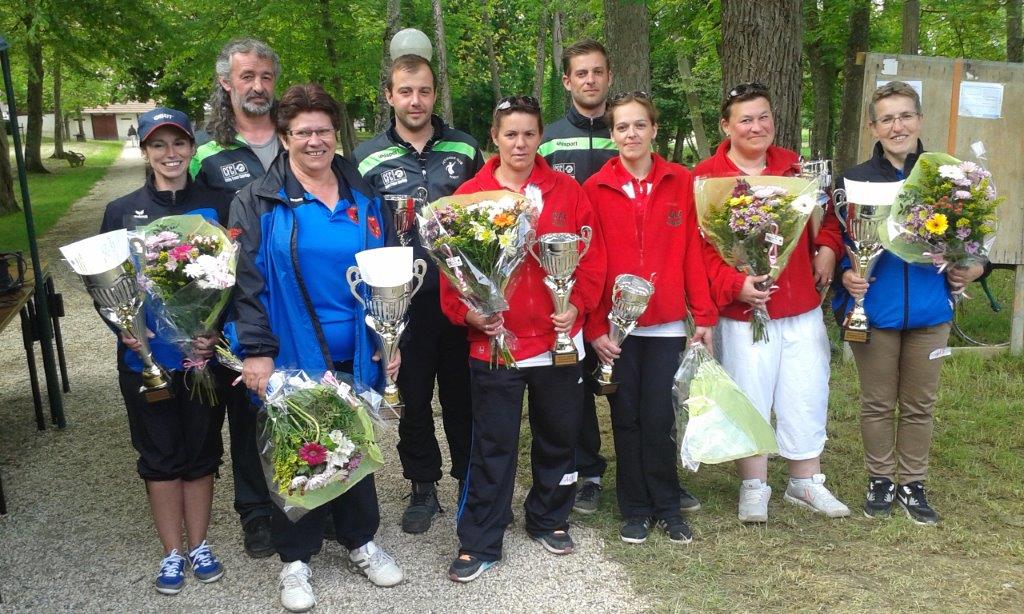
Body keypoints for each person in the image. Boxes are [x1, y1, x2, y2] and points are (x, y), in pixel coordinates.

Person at [230, 83, 404, 612]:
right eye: (302, 132)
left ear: (336, 134)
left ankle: (360, 541)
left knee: (355, 443)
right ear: (284, 139)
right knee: (299, 449)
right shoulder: (257, 199)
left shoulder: (364, 195)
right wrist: (256, 350)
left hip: (356, 350)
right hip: (291, 350)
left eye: (322, 130)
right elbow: (246, 283)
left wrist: (391, 337)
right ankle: (295, 560)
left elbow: (388, 273)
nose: (314, 141)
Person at [440, 95, 605, 582]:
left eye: (529, 133)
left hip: (557, 341)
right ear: (495, 136)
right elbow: (452, 277)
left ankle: (550, 517)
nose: (520, 142)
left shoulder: (568, 192)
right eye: (510, 133)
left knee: (558, 436)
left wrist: (577, 307)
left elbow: (593, 260)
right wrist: (472, 315)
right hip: (496, 344)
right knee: (493, 443)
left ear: (541, 138)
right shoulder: (470, 195)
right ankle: (481, 538)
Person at [833, 81, 986, 525]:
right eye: (887, 118)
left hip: (930, 311)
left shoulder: (950, 177)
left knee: (920, 404)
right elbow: (839, 239)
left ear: (919, 120)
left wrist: (975, 267)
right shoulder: (854, 179)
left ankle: (913, 483)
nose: (897, 126)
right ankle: (881, 478)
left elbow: (976, 239)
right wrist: (846, 273)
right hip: (874, 311)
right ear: (873, 127)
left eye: (905, 116)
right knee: (877, 403)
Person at [698, 82, 850, 523]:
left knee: (806, 389)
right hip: (743, 311)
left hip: (799, 302)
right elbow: (702, 247)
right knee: (749, 392)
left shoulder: (795, 166)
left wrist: (826, 248)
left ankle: (805, 481)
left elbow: (831, 220)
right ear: (726, 126)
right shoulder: (708, 177)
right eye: (745, 119)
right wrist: (734, 284)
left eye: (763, 116)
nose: (756, 126)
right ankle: (754, 485)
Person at [99, 107, 232, 595]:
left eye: (178, 143)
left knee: (200, 451)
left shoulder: (218, 203)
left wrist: (215, 329)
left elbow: (235, 281)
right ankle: (172, 553)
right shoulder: (121, 210)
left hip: (200, 358)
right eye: (159, 145)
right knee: (158, 455)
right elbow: (104, 286)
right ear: (145, 151)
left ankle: (199, 544)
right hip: (146, 361)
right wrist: (124, 329)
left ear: (193, 148)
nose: (170, 154)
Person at [354, 54, 483, 534]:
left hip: (458, 301)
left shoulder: (465, 149)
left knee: (463, 397)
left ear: (435, 93)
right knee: (411, 397)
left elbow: (486, 217)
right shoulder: (365, 157)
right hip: (400, 306)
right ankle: (422, 486)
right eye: (405, 91)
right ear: (389, 95)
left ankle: (471, 481)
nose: (415, 100)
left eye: (424, 91)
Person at [583, 92, 717, 544]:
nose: (631, 134)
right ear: (612, 134)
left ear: (654, 130)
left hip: (663, 325)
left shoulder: (681, 182)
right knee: (626, 417)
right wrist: (596, 327)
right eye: (622, 127)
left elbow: (693, 254)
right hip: (617, 330)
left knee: (659, 417)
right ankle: (635, 508)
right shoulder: (596, 188)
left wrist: (703, 314)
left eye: (640, 125)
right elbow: (591, 262)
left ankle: (668, 505)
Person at [189, 37, 282, 559]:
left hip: (293, 292)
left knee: (305, 392)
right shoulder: (205, 151)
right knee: (248, 405)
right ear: (226, 83)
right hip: (234, 303)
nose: (258, 87)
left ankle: (316, 493)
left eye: (266, 77)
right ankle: (255, 511)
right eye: (247, 77)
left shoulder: (294, 136)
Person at [539, 39, 631, 516]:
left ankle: (640, 469)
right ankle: (588, 470)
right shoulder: (551, 139)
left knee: (625, 379)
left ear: (608, 76)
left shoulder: (626, 130)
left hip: (628, 280)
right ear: (568, 81)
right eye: (581, 73)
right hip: (568, 282)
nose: (590, 80)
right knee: (574, 383)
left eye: (598, 71)